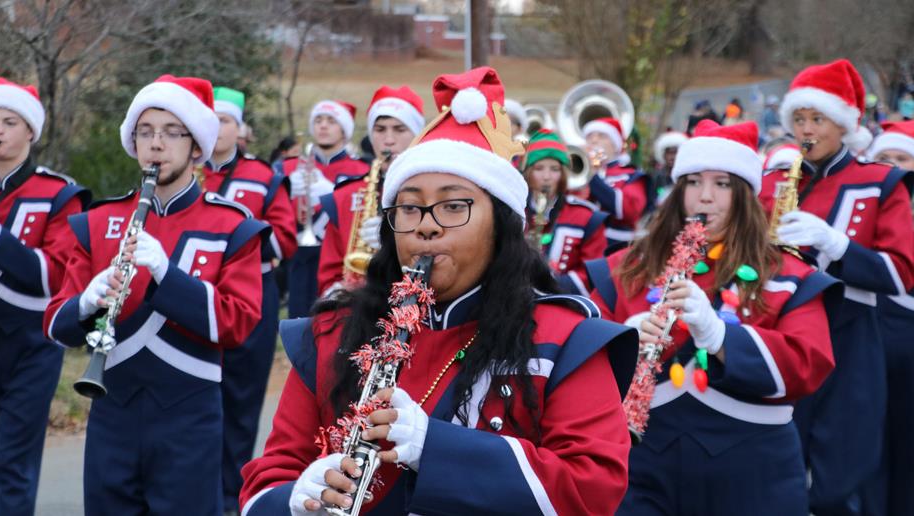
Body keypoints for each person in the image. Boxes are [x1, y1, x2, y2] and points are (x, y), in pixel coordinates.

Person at [239, 66, 639, 516]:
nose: (426, 224)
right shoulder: (332, 334)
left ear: (501, 227)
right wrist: (293, 499)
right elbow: (264, 482)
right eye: (409, 208)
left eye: (453, 205)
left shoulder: (566, 340)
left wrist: (437, 448)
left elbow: (593, 491)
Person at [585, 120, 839, 515]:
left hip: (754, 473)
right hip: (645, 467)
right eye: (693, 183)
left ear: (743, 194)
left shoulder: (786, 273)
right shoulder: (629, 267)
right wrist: (621, 340)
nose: (705, 198)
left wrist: (719, 335)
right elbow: (579, 353)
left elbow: (809, 363)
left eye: (722, 184)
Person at [43, 75, 267, 515]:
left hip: (189, 419)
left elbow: (238, 323)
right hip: (112, 411)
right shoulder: (98, 221)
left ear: (197, 147)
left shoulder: (232, 226)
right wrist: (85, 304)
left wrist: (168, 274)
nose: (156, 145)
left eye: (170, 132)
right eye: (145, 132)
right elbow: (55, 326)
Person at [764, 58, 914, 515]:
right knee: (782, 456)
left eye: (818, 120)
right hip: (786, 331)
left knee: (844, 468)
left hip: (851, 335)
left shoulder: (881, 182)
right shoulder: (774, 182)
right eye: (799, 120)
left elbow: (900, 273)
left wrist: (836, 245)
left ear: (843, 124)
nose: (806, 131)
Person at [0, 77, 90, 516]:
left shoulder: (59, 194)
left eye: (9, 121)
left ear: (31, 131)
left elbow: (52, 277)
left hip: (30, 345)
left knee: (11, 458)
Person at [207, 86, 299, 515]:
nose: (217, 128)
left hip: (252, 294)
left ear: (239, 129)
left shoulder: (265, 176)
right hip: (196, 297)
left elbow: (285, 239)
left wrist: (231, 244)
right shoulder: (182, 173)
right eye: (211, 120)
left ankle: (232, 496)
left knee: (242, 400)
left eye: (225, 121)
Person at [316, 85, 425, 296]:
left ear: (417, 135)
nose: (389, 140)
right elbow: (328, 275)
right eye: (380, 129)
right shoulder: (345, 196)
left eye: (400, 129)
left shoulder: (434, 192)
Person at [865, 120, 914, 516]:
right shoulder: (863, 217)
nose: (894, 168)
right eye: (885, 159)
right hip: (873, 341)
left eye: (903, 159)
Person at [284, 100, 369, 319]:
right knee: (300, 322)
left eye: (331, 121)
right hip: (301, 257)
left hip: (340, 259)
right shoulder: (291, 168)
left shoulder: (362, 169)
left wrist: (330, 193)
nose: (323, 126)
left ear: (344, 130)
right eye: (318, 120)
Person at [522, 129, 607, 294]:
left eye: (554, 169)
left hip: (561, 300)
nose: (547, 177)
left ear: (563, 174)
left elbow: (594, 272)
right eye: (539, 168)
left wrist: (552, 284)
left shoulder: (585, 217)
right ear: (528, 172)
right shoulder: (513, 211)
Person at [580, 117, 650, 247]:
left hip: (613, 247)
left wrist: (592, 176)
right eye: (589, 136)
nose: (594, 140)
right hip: (579, 242)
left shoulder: (630, 175)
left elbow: (628, 211)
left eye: (602, 136)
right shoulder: (578, 171)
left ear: (615, 144)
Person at [651, 130, 688, 205]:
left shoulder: (686, 175)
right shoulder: (658, 176)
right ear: (663, 155)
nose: (672, 157)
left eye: (675, 153)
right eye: (669, 153)